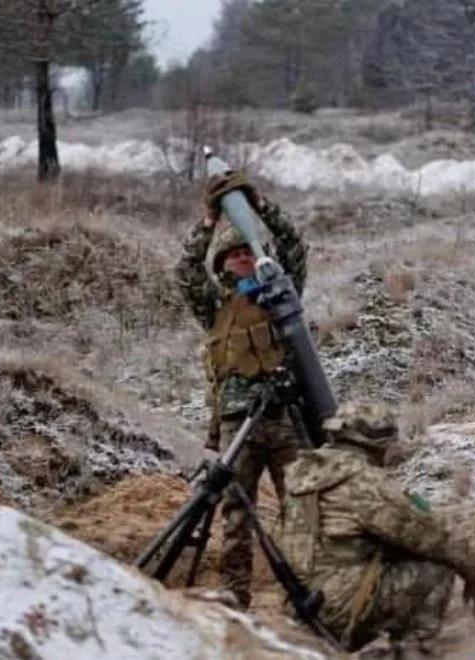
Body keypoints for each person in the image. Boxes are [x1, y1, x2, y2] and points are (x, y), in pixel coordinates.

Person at [175, 169, 309, 610]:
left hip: (284, 420)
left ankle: (305, 589)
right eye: (232, 256)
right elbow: (185, 269)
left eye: (246, 253)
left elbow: (295, 247)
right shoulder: (214, 307)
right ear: (222, 265)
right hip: (237, 425)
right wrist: (210, 219)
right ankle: (236, 593)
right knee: (236, 513)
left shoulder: (278, 293)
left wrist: (261, 206)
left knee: (302, 510)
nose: (242, 260)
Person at [277, 402, 475, 655]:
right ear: (376, 444)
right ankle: (413, 650)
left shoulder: (304, 475)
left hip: (300, 606)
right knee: (437, 569)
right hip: (339, 609)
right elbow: (432, 537)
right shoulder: (362, 482)